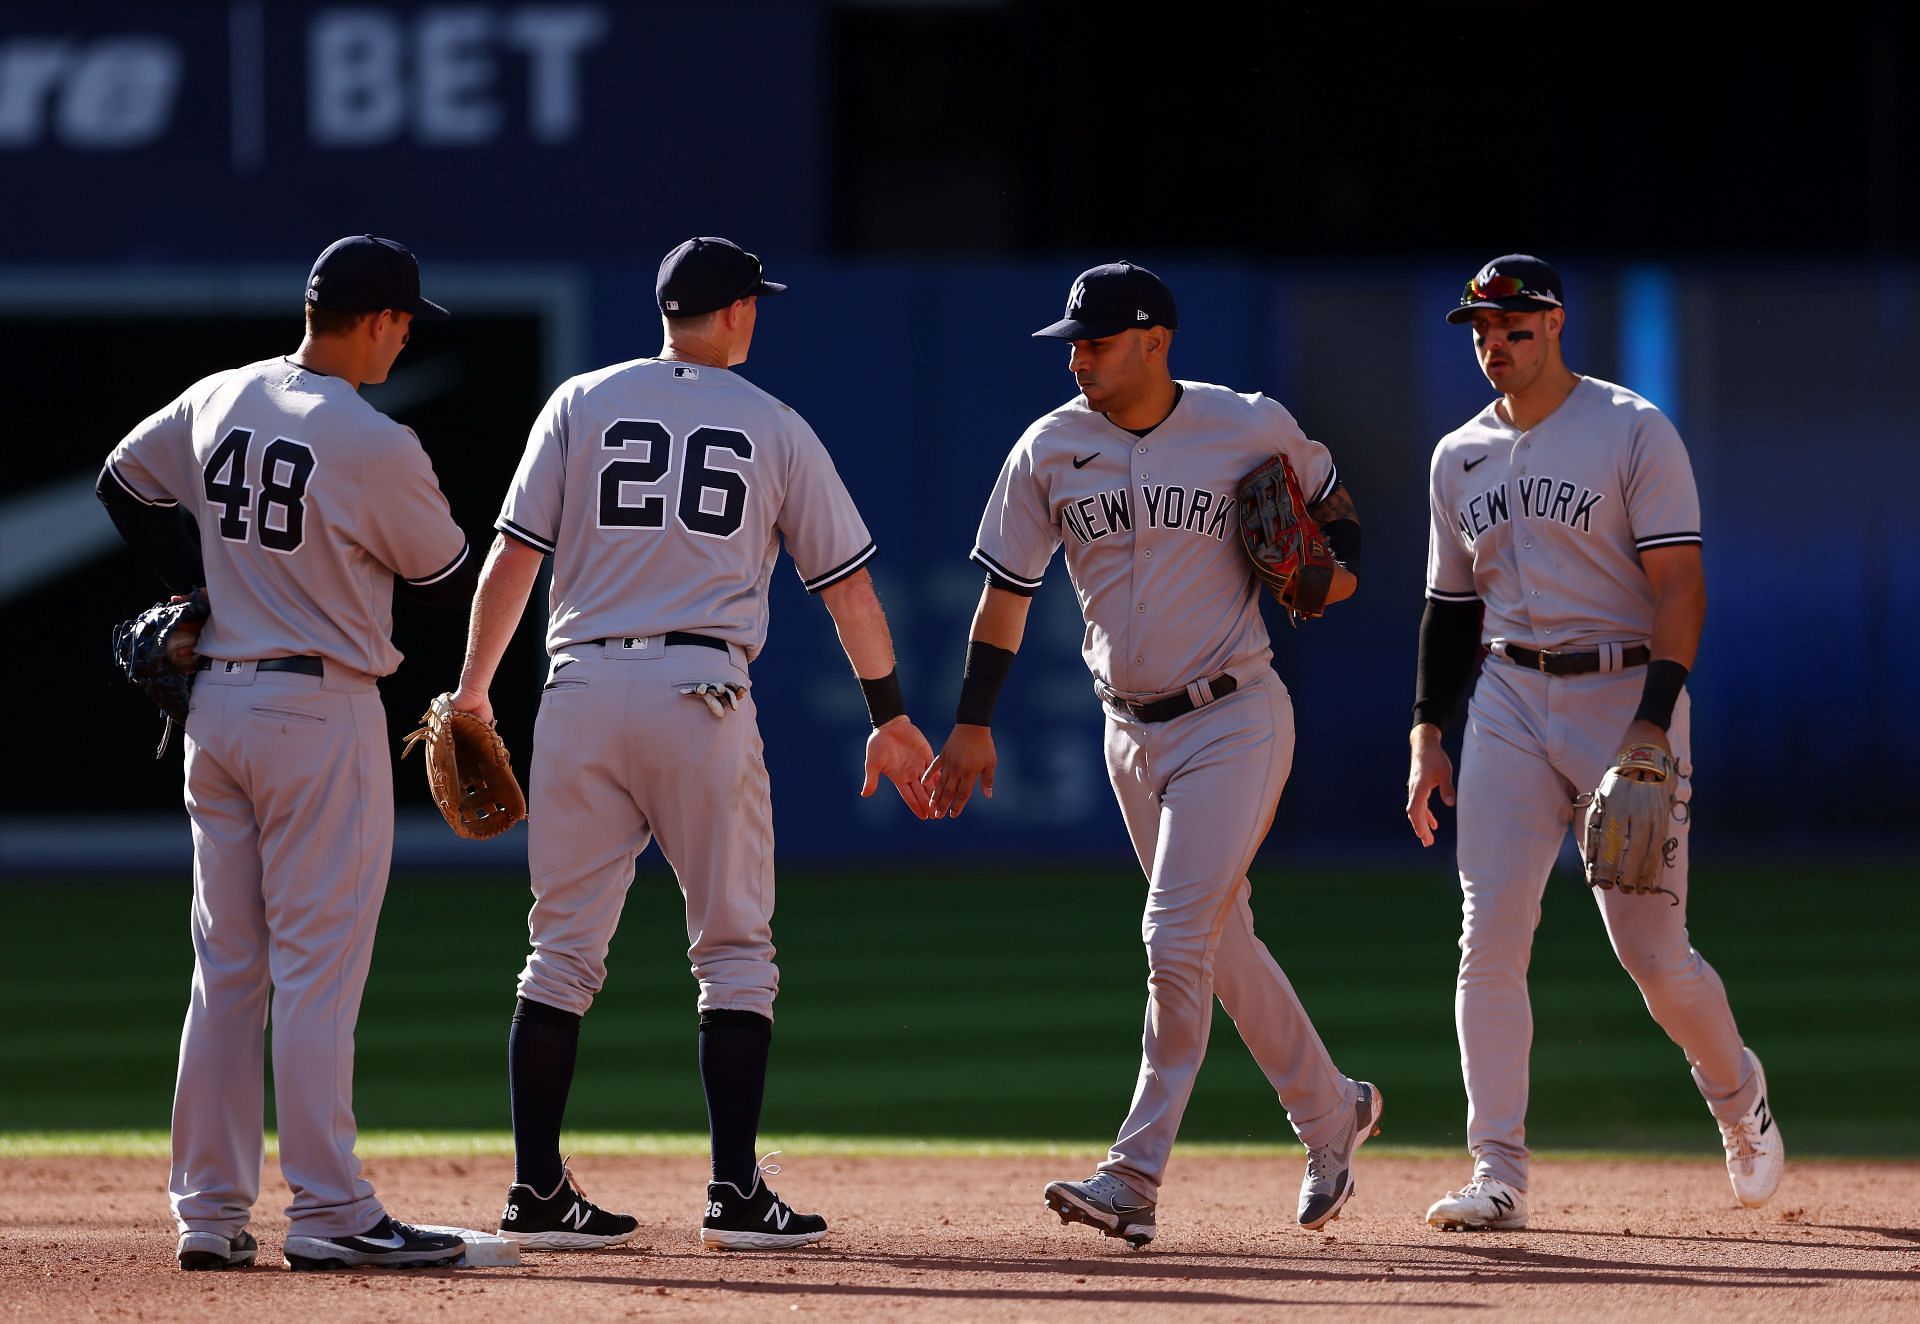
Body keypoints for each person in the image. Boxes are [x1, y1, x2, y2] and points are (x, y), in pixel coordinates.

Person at [450, 236, 934, 1254]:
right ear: (734, 313)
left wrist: (474, 693)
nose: (757, 314)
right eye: (751, 302)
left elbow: (513, 558)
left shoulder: (579, 401)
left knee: (560, 952)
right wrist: (889, 713)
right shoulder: (773, 423)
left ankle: (537, 1188)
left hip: (577, 687)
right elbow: (845, 583)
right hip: (699, 690)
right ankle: (733, 1192)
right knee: (733, 951)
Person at [925, 261, 1381, 1248]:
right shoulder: (1049, 447)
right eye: (1074, 343)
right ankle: (1332, 1110)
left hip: (1236, 718)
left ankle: (1132, 1177)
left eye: (1094, 340)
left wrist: (1325, 579)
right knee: (1221, 945)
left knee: (1173, 940)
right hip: (1126, 729)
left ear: (1154, 341)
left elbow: (1339, 518)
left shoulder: (1246, 424)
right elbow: (1005, 596)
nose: (1078, 357)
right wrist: (973, 720)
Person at [96, 235, 478, 1271]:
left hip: (216, 710)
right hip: (319, 710)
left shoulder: (221, 395)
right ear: (377, 319)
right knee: (316, 969)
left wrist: (203, 590)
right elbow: (447, 575)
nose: (407, 337)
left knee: (227, 969)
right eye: (405, 320)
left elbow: (121, 486)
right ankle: (331, 1210)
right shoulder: (371, 439)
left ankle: (210, 1214)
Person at [1406, 254, 1783, 1231]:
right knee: (1488, 932)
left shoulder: (1629, 429)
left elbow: (1680, 591)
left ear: (1557, 322)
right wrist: (1426, 730)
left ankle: (1739, 1097)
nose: (1497, 340)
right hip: (1508, 698)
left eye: (1515, 323)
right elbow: (1450, 609)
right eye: (1483, 327)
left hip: (1625, 695)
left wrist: (1652, 726)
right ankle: (1497, 1170)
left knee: (1653, 954)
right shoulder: (1457, 455)